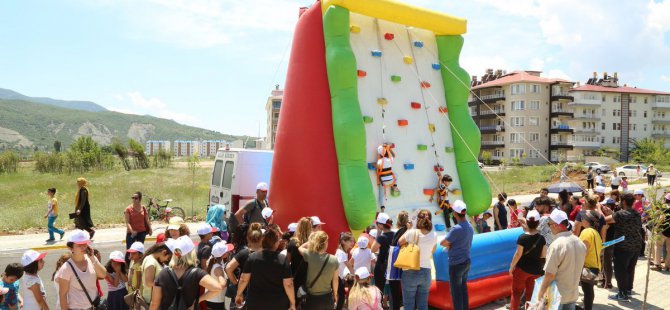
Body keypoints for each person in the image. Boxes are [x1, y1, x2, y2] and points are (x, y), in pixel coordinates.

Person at [151, 235, 223, 309]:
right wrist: (197, 300)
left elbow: (154, 303)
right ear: (191, 253)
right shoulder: (197, 273)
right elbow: (218, 288)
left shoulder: (163, 273)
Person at [535, 209, 586, 310]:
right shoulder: (579, 242)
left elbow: (549, 274)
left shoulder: (557, 245)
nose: (549, 228)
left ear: (555, 225)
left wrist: (540, 295)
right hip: (572, 293)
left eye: (549, 225)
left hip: (557, 296)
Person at [235, 228, 295, 310]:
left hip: (256, 302)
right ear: (276, 243)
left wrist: (239, 294)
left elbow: (243, 279)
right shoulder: (282, 259)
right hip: (278, 304)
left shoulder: (252, 257)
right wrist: (292, 303)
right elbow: (288, 284)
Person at [55, 229, 107, 310]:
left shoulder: (91, 259)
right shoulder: (66, 269)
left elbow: (103, 275)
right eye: (79, 245)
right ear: (70, 248)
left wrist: (93, 258)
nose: (83, 247)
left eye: (85, 244)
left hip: (94, 306)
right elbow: (63, 295)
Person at [605, 193, 643, 301]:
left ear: (624, 202)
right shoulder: (636, 213)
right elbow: (622, 217)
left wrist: (599, 208)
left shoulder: (620, 214)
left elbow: (605, 220)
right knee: (630, 269)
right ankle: (628, 290)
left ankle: (622, 294)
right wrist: (613, 213)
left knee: (620, 270)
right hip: (636, 245)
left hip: (623, 247)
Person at [508, 210, 546, 310]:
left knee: (516, 293)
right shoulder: (542, 238)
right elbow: (543, 256)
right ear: (538, 223)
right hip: (536, 271)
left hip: (522, 270)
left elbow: (518, 254)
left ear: (527, 222)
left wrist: (511, 267)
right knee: (531, 294)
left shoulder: (522, 238)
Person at [398, 210, 436, 310]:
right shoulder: (434, 235)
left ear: (418, 220)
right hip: (426, 272)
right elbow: (433, 251)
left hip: (410, 271)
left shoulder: (412, 233)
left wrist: (408, 229)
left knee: (409, 305)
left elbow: (399, 242)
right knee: (423, 305)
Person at [440, 201, 474, 310]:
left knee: (456, 294)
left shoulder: (456, 229)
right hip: (466, 261)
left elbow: (443, 243)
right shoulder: (469, 226)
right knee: (463, 290)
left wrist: (450, 245)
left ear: (455, 213)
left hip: (456, 264)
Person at [297, 230, 339, 309]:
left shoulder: (309, 255)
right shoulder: (334, 259)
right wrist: (335, 294)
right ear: (325, 243)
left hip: (312, 298)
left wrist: (311, 241)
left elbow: (300, 248)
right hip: (327, 298)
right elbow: (335, 280)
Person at [225, 223, 263, 309]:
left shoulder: (244, 253)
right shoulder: (268, 254)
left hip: (244, 292)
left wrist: (236, 284)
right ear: (262, 238)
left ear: (248, 238)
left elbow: (228, 268)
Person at [578, 209, 603, 310]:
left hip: (587, 267)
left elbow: (583, 251)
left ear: (587, 220)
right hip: (595, 266)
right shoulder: (595, 232)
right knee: (589, 290)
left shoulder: (586, 232)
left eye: (583, 217)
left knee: (587, 291)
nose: (581, 219)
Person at [285, 217, 311, 298]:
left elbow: (287, 261)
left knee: (295, 299)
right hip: (308, 276)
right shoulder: (311, 244)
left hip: (295, 275)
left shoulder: (292, 243)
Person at [388, 211, 409, 310]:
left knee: (394, 289)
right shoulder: (408, 230)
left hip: (394, 261)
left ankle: (395, 307)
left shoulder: (396, 231)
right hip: (406, 261)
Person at [371, 213, 394, 299]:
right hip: (393, 265)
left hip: (381, 265)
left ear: (380, 225)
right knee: (392, 291)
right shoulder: (395, 234)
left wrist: (378, 233)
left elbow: (373, 249)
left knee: (378, 290)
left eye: (377, 224)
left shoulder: (381, 237)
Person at [125, 192, 152, 262]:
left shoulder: (143, 207)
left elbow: (146, 219)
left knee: (139, 251)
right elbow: (127, 222)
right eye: (133, 198)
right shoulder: (128, 209)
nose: (134, 199)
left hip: (142, 232)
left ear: (140, 199)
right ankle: (126, 267)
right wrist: (132, 231)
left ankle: (139, 265)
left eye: (136, 198)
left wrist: (150, 228)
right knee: (129, 250)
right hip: (131, 233)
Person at [206, 241, 234, 309]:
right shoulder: (218, 268)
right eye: (227, 251)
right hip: (216, 301)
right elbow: (222, 285)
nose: (229, 252)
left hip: (213, 299)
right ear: (223, 254)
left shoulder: (212, 261)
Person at [335, 232, 354, 310]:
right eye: (350, 241)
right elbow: (349, 267)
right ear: (343, 241)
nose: (352, 243)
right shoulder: (342, 253)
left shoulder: (343, 252)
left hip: (338, 277)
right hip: (336, 277)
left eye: (352, 241)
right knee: (342, 296)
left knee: (341, 296)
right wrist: (356, 276)